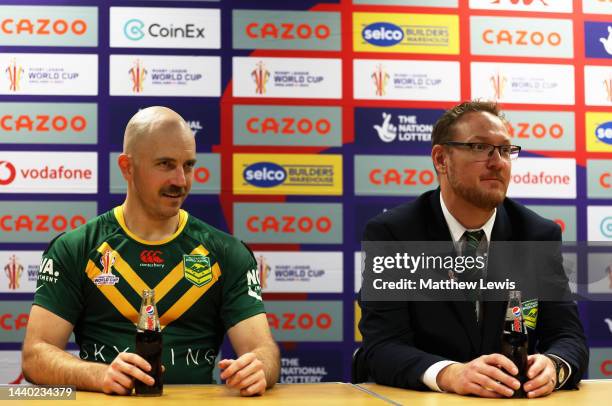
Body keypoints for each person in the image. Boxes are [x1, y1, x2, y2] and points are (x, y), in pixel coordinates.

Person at [22, 106, 280, 396]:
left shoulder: (226, 252)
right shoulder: (76, 248)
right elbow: (35, 355)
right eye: (166, 164)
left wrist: (260, 367)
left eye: (188, 165)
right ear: (127, 167)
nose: (181, 180)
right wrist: (99, 374)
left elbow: (263, 350)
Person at [358, 101, 588, 398]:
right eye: (480, 148)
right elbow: (381, 346)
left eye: (505, 150)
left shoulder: (536, 234)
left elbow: (568, 337)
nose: (497, 162)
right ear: (441, 159)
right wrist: (449, 373)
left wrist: (554, 366)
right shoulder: (394, 234)